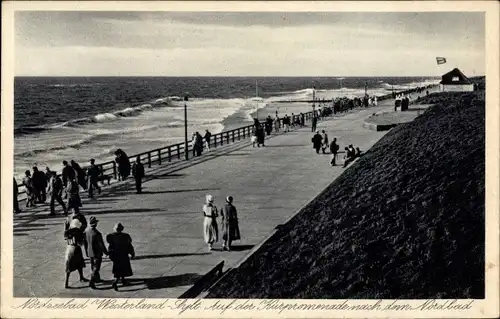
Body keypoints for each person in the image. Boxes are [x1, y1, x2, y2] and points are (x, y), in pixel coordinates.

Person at [106, 222, 135, 291]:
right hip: (123, 255)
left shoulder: (111, 236)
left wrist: (110, 255)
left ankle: (123, 280)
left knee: (119, 269)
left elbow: (110, 247)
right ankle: (115, 283)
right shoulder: (126, 236)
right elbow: (129, 245)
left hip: (116, 256)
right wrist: (132, 253)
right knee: (121, 270)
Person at [84, 216, 108, 289]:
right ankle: (92, 280)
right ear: (96, 224)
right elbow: (101, 245)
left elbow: (85, 242)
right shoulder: (97, 233)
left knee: (92, 265)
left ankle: (97, 279)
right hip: (97, 252)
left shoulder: (86, 231)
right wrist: (106, 252)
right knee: (96, 267)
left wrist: (86, 252)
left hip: (90, 251)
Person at [64, 218, 88, 288]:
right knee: (79, 263)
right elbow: (80, 243)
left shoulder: (67, 231)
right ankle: (81, 277)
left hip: (69, 249)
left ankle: (66, 282)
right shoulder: (78, 232)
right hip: (76, 249)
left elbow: (65, 237)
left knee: (68, 266)